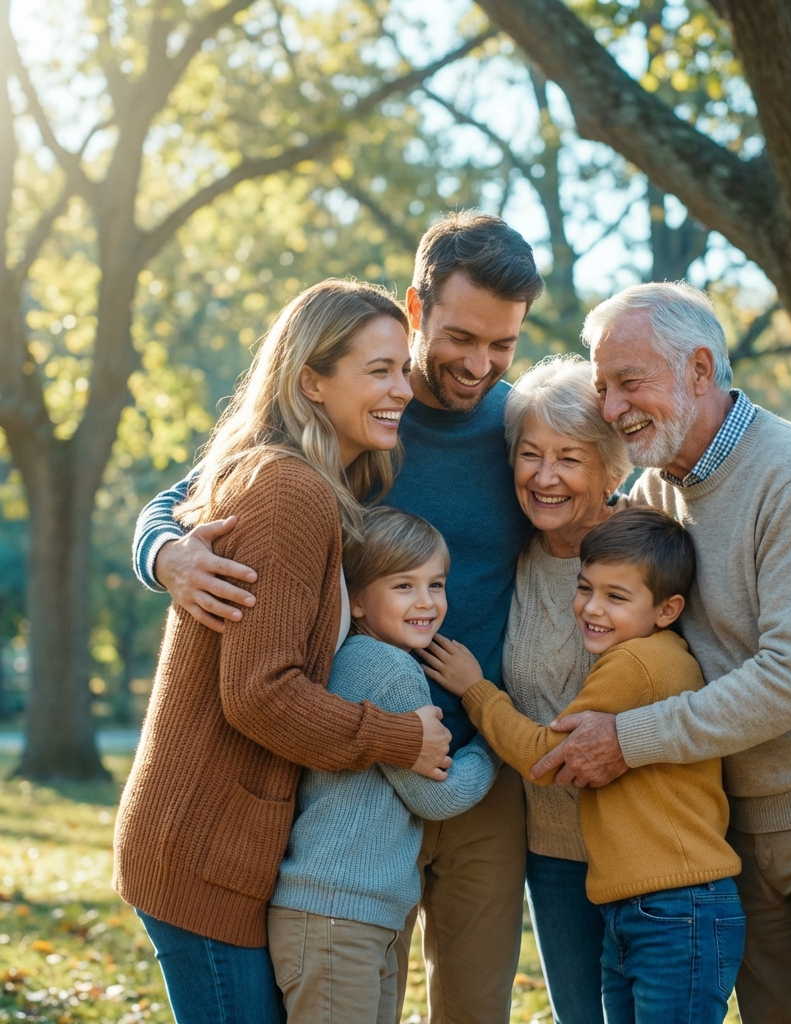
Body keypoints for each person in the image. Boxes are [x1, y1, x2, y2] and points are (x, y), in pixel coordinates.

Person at [131, 213, 542, 1024]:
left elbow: (604, 505)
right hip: (339, 769)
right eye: (462, 337)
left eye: (503, 345)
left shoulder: (516, 423)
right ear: (418, 308)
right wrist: (164, 553)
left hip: (469, 757)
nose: (479, 364)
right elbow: (196, 494)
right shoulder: (350, 432)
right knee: (348, 989)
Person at [533, 281, 791, 1024]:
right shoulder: (655, 495)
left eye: (630, 383)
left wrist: (628, 740)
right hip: (740, 819)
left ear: (699, 370)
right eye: (603, 387)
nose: (613, 408)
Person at [114, 280, 452, 1024]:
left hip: (222, 844)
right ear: (311, 380)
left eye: (404, 368)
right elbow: (260, 693)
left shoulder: (304, 482)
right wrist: (399, 737)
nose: (404, 389)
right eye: (380, 371)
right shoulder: (287, 491)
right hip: (203, 847)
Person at [424, 507, 744, 1024]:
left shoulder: (634, 664)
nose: (591, 608)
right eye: (585, 588)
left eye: (616, 597)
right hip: (642, 906)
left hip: (674, 907)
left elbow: (546, 757)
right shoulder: (649, 655)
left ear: (668, 610)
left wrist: (476, 691)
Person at [268, 507, 500, 1024]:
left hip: (350, 915)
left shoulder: (355, 658)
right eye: (403, 586)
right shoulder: (388, 670)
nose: (426, 602)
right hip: (336, 917)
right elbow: (437, 795)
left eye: (436, 584)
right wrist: (493, 742)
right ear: (355, 599)